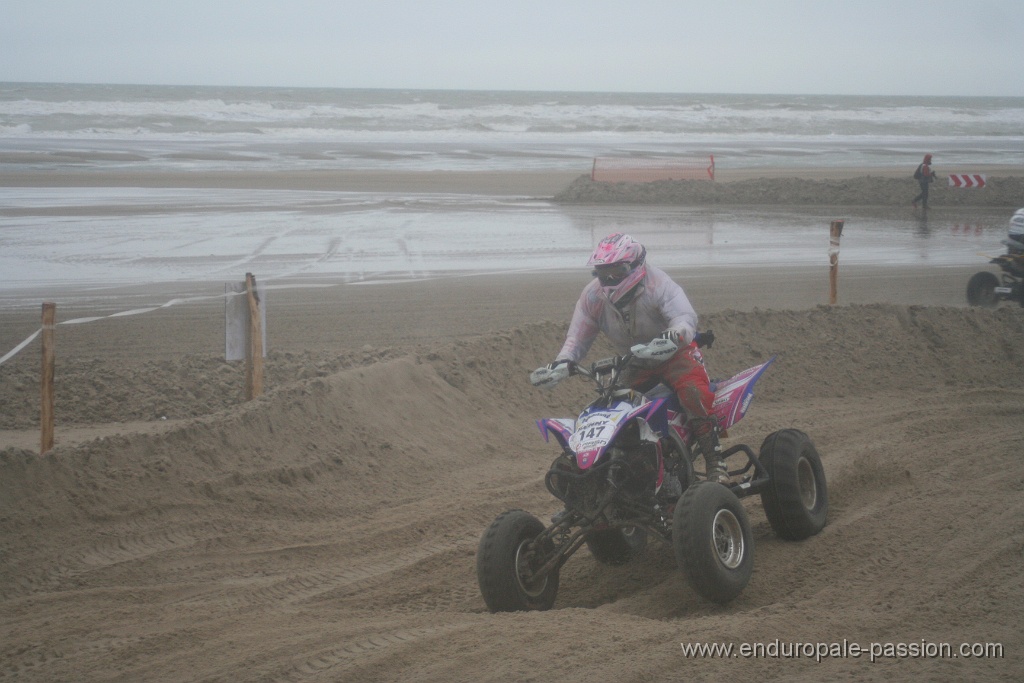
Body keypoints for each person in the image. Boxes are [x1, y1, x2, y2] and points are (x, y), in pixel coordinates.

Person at [546, 233, 729, 484]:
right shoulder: (592, 297)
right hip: (635, 360)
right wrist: (563, 362)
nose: (609, 279)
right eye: (603, 272)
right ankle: (617, 467)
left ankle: (714, 461)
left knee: (693, 392)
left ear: (635, 265)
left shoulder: (659, 284)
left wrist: (672, 336)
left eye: (617, 271)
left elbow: (685, 318)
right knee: (610, 406)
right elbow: (577, 339)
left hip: (676, 352)